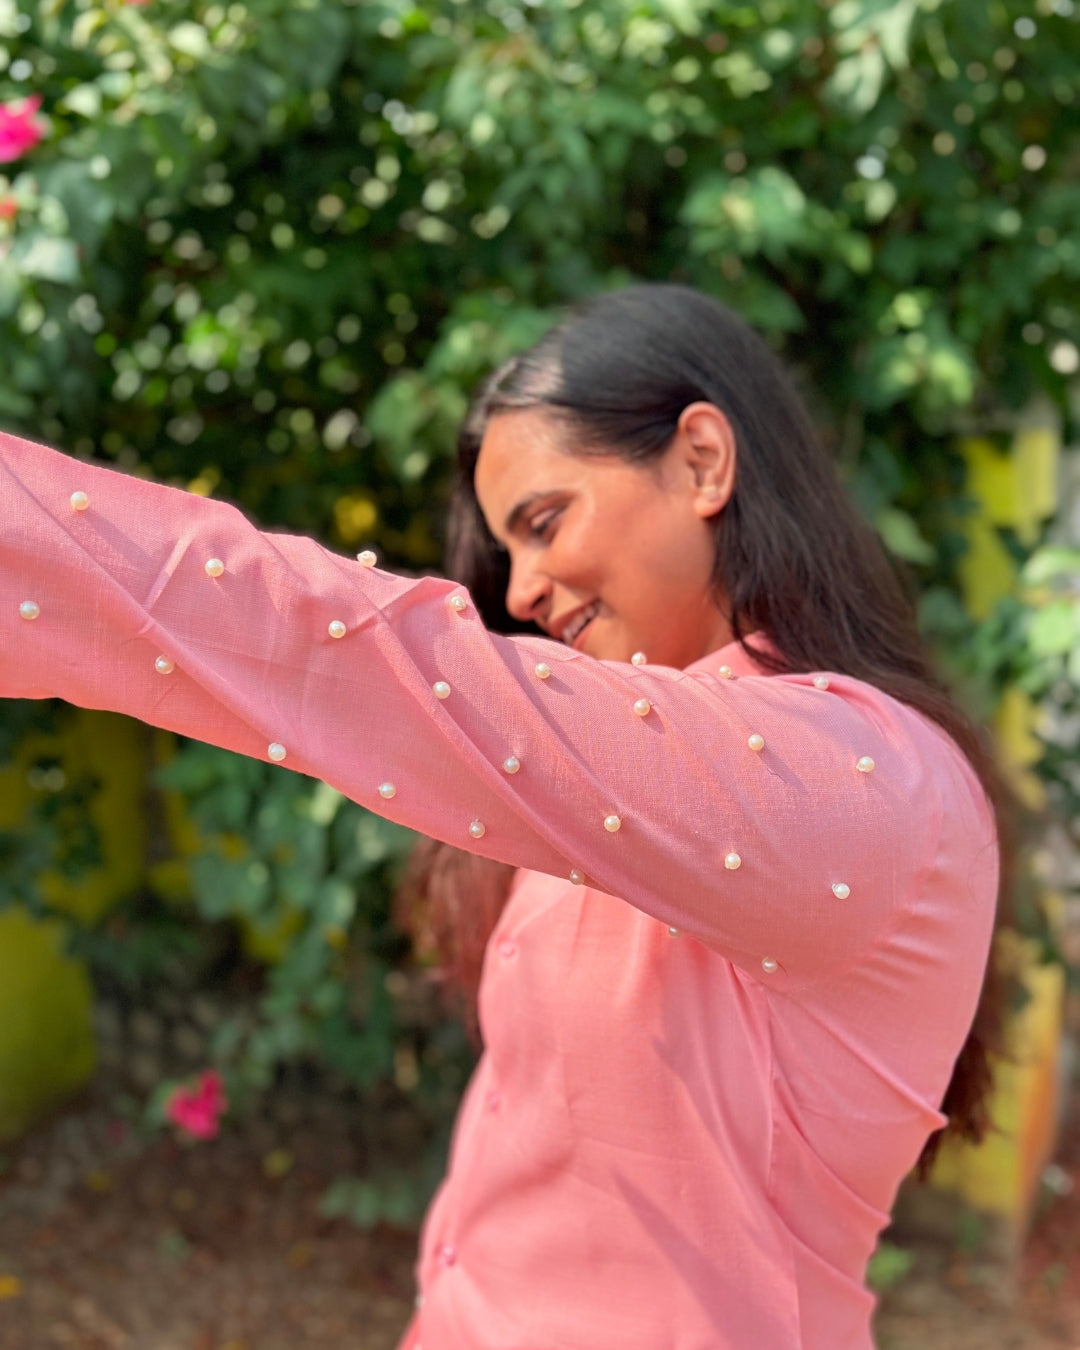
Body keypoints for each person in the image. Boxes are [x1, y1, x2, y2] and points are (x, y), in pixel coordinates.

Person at [0, 284, 1002, 1350]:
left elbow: (340, 651)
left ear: (704, 461)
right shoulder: (630, 803)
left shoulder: (861, 778)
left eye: (543, 520)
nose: (519, 589)